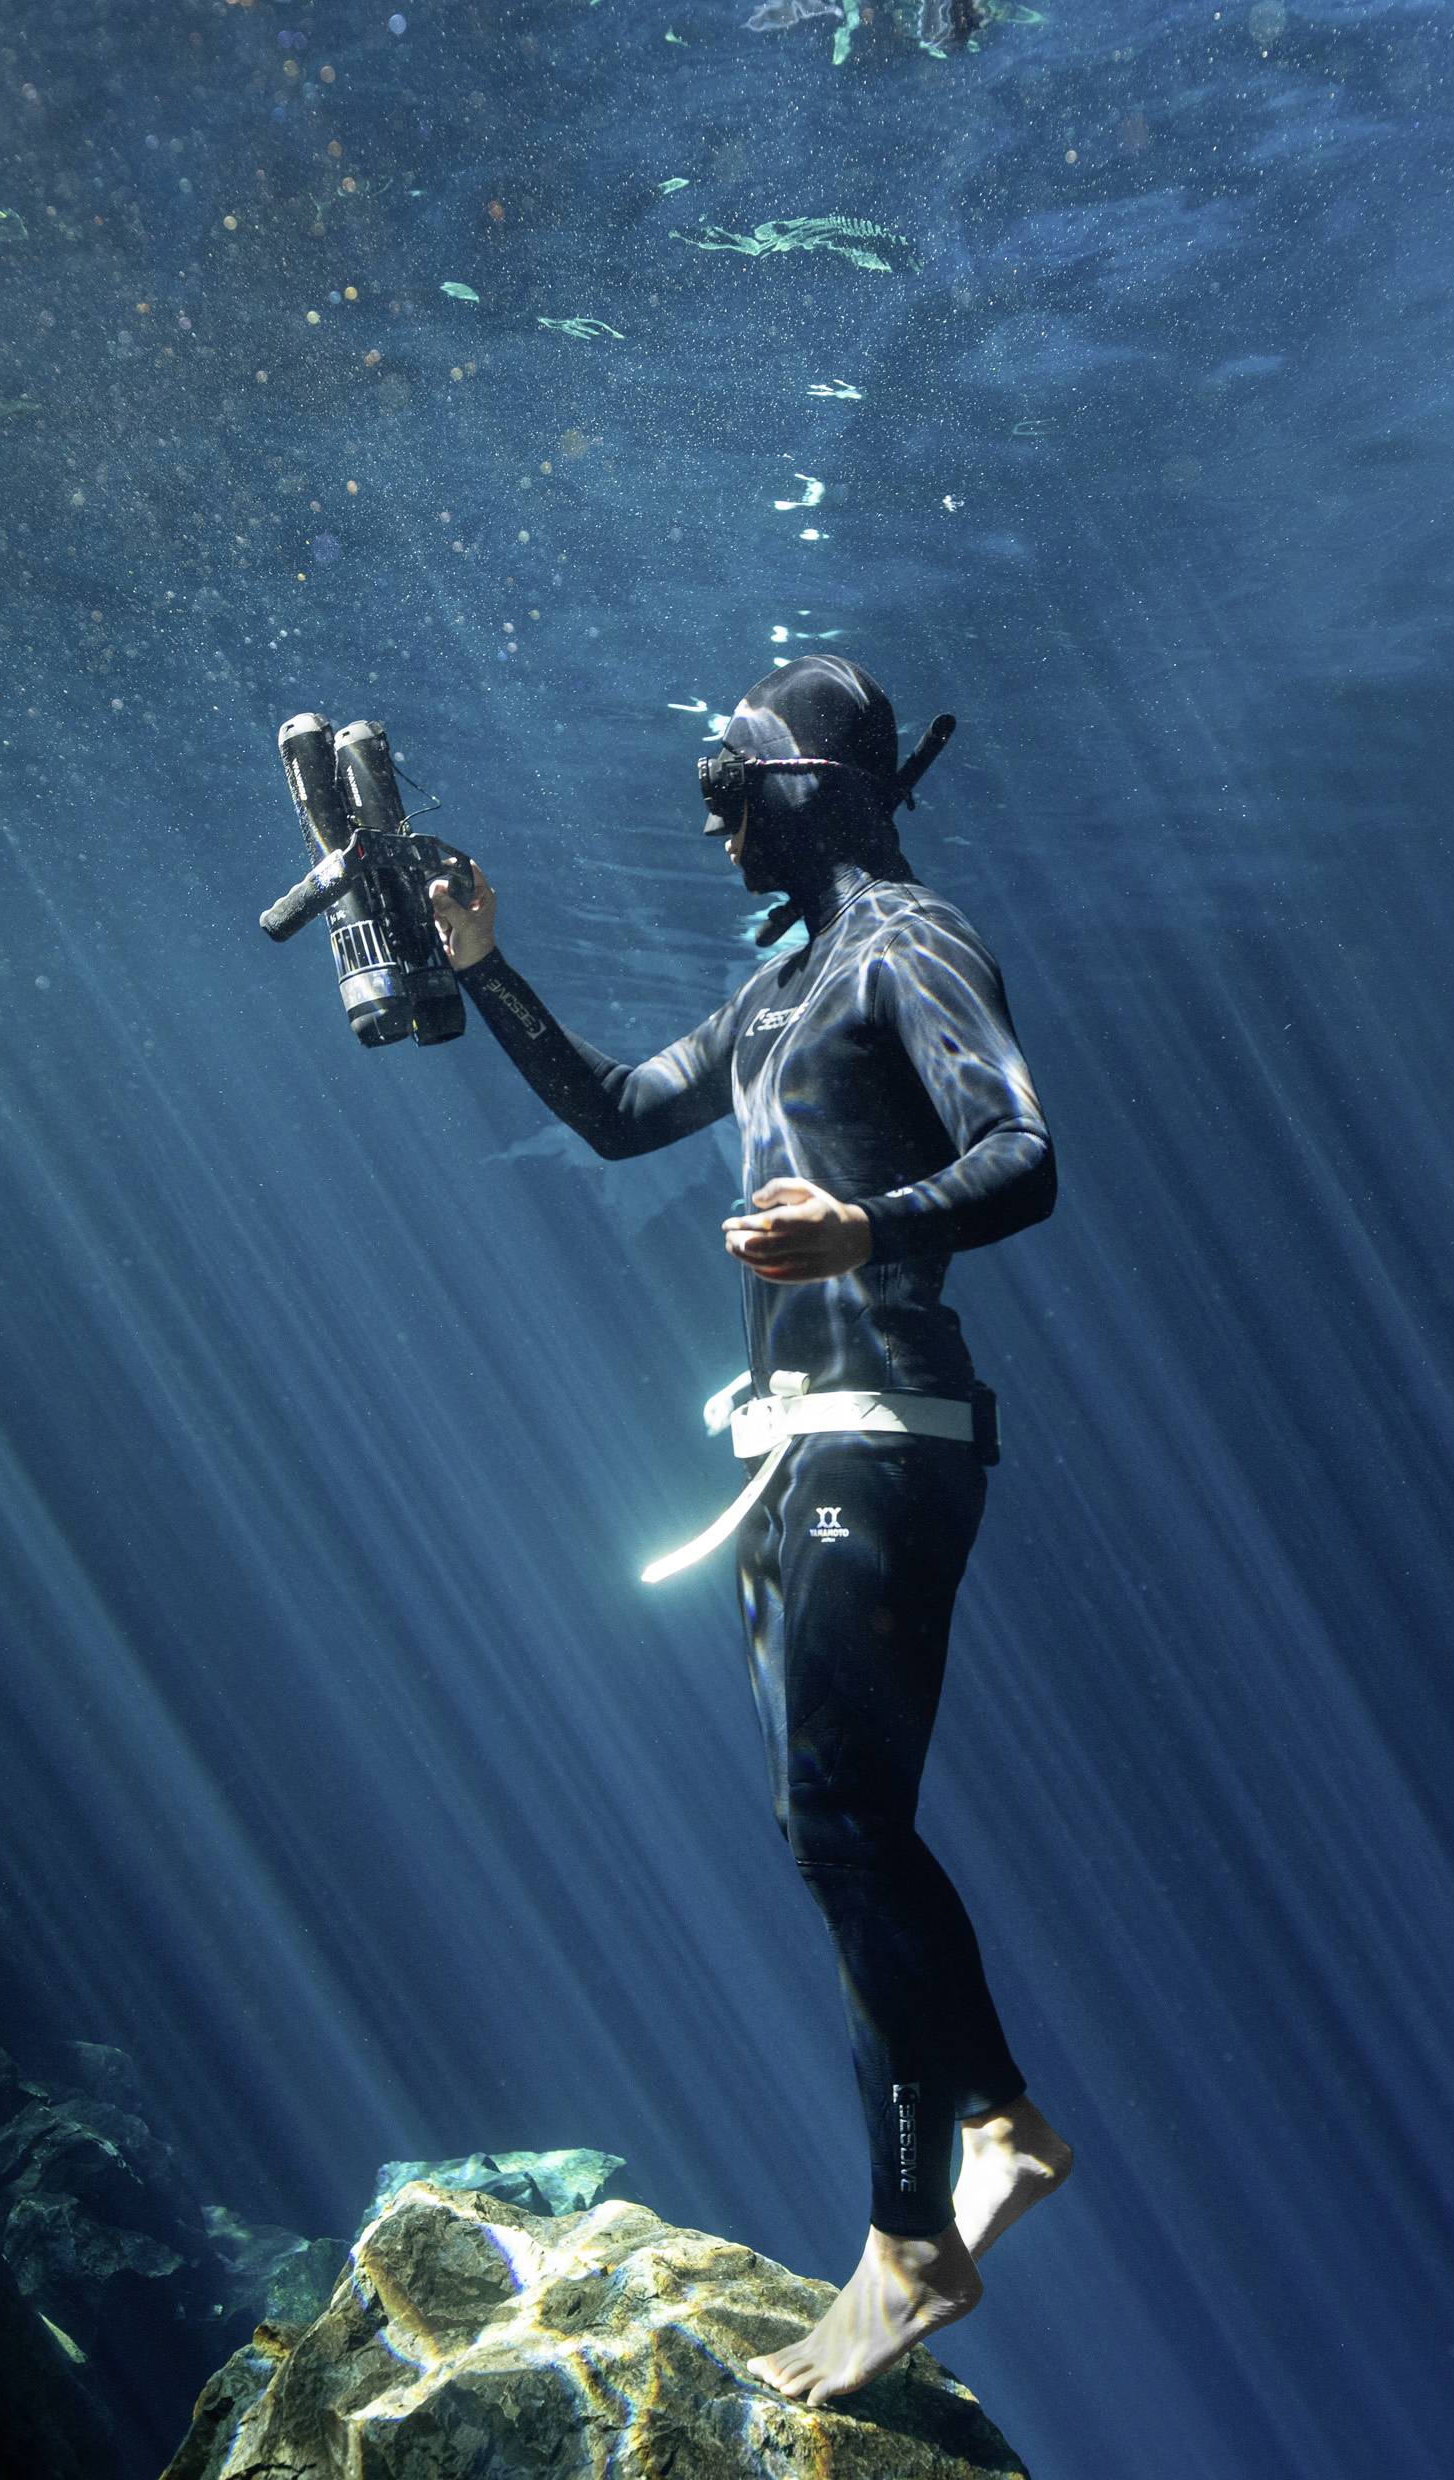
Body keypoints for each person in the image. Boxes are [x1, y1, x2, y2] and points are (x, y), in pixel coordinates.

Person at [429, 654, 1073, 2405]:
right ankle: (988, 2137)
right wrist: (485, 968)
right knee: (830, 1833)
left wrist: (863, 1229)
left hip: (882, 1434)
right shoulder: (785, 987)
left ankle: (914, 2235)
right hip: (797, 1455)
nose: (710, 820)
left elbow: (1021, 1151)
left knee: (840, 1829)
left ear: (815, 785)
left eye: (732, 786)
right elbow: (617, 1115)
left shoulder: (906, 944)